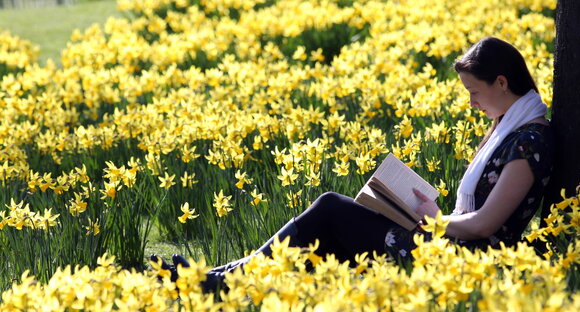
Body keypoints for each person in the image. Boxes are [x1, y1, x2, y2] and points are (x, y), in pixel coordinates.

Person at [152, 37, 554, 293]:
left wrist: (433, 221)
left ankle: (220, 282)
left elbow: (486, 225)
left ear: (502, 83)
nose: (471, 103)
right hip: (451, 243)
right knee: (330, 230)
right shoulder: (511, 129)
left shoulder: (528, 144)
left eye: (475, 92)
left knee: (330, 208)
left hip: (464, 260)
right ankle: (220, 279)